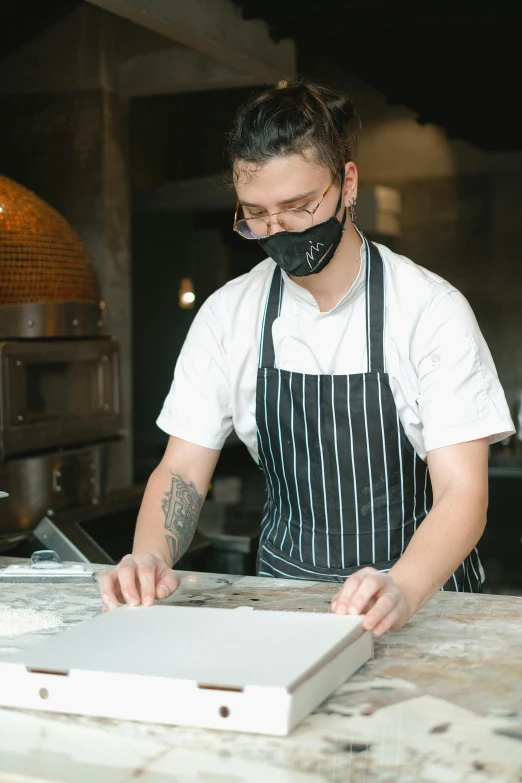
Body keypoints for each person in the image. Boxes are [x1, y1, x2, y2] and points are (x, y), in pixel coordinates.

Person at [99, 79, 514, 637]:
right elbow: (180, 470)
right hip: (285, 606)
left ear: (346, 183)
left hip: (426, 609)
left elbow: (463, 492)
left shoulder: (430, 312)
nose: (278, 231)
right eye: (256, 214)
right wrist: (150, 556)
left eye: (297, 207)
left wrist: (401, 586)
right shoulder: (229, 316)